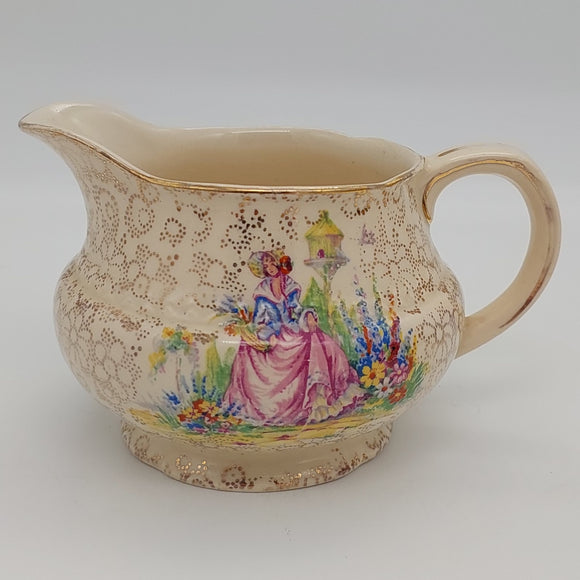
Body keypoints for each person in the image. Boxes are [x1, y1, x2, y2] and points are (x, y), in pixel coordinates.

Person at [223, 251, 363, 425]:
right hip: (272, 332)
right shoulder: (262, 292)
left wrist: (308, 315)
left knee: (318, 340)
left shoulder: (288, 284)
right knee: (249, 347)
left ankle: (319, 399)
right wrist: (268, 334)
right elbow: (258, 321)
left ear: (276, 261)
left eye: (271, 262)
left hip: (291, 328)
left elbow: (297, 309)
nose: (270, 267)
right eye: (265, 266)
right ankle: (269, 407)